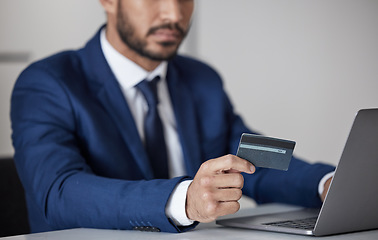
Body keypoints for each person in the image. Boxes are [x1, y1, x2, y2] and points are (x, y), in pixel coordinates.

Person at [10, 0, 334, 234]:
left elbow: (251, 157)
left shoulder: (201, 79)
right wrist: (184, 200)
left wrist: (328, 182)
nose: (174, 14)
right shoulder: (48, 83)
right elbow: (60, 192)